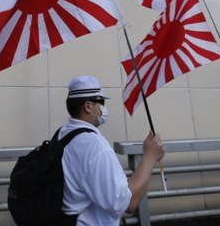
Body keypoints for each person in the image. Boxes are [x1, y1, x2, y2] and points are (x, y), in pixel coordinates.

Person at [59, 75, 164, 225]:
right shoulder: (94, 145)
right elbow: (127, 203)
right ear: (88, 106)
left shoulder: (63, 134)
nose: (104, 108)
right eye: (101, 102)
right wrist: (150, 157)